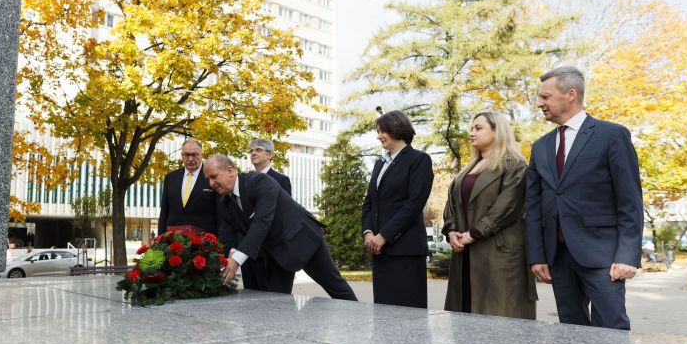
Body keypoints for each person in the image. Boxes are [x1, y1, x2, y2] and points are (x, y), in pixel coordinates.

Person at [526, 66, 643, 330]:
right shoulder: (540, 146)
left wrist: (627, 255)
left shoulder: (611, 135)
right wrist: (538, 256)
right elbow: (533, 207)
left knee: (611, 329)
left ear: (570, 94)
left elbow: (630, 199)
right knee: (571, 331)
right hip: (558, 257)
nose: (539, 103)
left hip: (603, 255)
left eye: (545, 97)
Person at [204, 155, 357, 300]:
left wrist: (235, 260)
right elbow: (225, 238)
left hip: (303, 240)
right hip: (278, 253)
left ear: (230, 171)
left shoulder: (260, 181)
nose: (211, 184)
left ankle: (365, 324)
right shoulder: (225, 202)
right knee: (275, 300)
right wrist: (214, 265)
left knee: (336, 287)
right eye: (208, 179)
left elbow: (262, 222)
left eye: (214, 177)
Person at [442, 112, 536, 319]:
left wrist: (472, 234)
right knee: (464, 314)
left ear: (496, 131)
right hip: (464, 254)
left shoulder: (514, 165)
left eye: (478, 128)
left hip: (499, 253)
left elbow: (506, 208)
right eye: (471, 128)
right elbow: (452, 206)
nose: (471, 132)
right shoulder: (468, 168)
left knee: (499, 319)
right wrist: (452, 231)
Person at [362, 110, 433, 307]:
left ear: (396, 129)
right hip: (379, 251)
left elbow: (414, 204)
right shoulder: (379, 164)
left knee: (408, 315)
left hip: (405, 251)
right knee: (384, 314)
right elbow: (369, 202)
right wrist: (368, 233)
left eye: (381, 131)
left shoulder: (419, 160)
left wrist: (384, 235)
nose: (378, 136)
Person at [242, 138, 292, 291]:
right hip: (249, 250)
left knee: (273, 300)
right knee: (250, 297)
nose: (253, 153)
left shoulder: (281, 180)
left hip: (271, 252)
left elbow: (282, 214)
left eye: (258, 150)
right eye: (251, 151)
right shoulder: (245, 181)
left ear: (270, 155)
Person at [158, 138, 219, 236]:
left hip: (204, 242)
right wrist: (160, 240)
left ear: (201, 155)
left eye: (194, 155)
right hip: (173, 241)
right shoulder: (170, 178)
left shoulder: (212, 177)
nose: (190, 159)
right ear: (182, 155)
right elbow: (164, 212)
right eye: (186, 155)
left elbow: (220, 213)